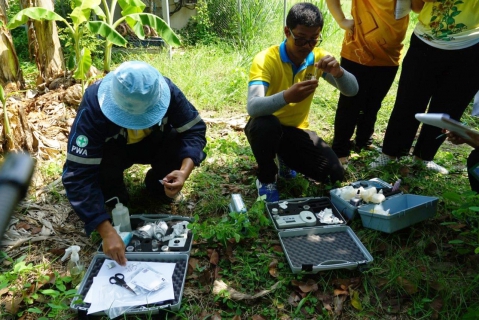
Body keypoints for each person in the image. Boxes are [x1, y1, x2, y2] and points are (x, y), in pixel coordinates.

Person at [62, 61, 207, 266]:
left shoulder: (166, 90)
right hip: (113, 151)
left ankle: (158, 187)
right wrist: (106, 231)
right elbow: (78, 174)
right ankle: (114, 195)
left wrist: (183, 171)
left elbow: (194, 130)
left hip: (156, 142)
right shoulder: (95, 104)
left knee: (177, 144)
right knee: (111, 194)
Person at [244, 2, 359, 202]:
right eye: (301, 39)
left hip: (296, 131)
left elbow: (352, 90)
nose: (307, 46)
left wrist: (338, 72)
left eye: (313, 39)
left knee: (334, 174)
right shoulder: (266, 59)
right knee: (265, 125)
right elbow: (253, 107)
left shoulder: (318, 58)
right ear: (287, 31)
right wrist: (287, 97)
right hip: (266, 127)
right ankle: (267, 177)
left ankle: (286, 159)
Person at [370, 0, 479, 174]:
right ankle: (390, 154)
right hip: (426, 41)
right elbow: (417, 7)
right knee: (408, 100)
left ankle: (424, 157)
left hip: (470, 45)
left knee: (448, 108)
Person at [326, 0, 421, 164]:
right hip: (357, 51)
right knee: (350, 104)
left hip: (390, 55)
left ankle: (363, 141)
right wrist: (341, 20)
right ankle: (340, 150)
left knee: (374, 103)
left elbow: (418, 8)